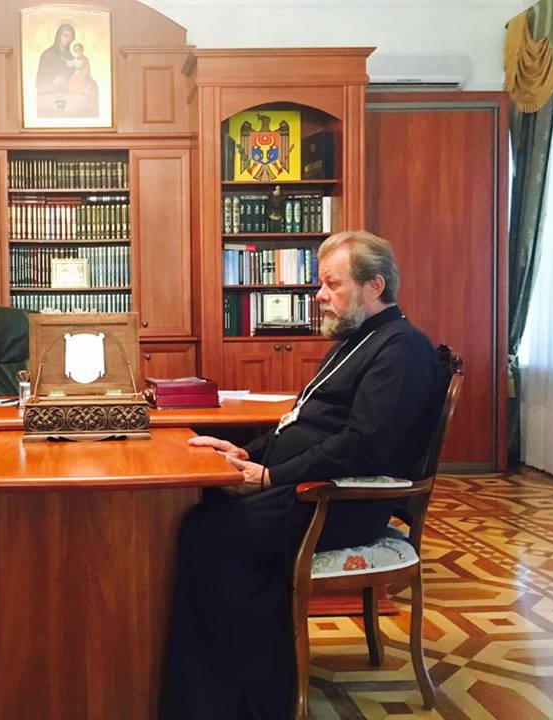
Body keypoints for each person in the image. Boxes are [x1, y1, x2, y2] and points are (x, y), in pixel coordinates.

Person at [162, 230, 445, 720]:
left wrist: (271, 477)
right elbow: (303, 423)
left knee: (208, 534)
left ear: (374, 286)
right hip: (310, 489)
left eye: (332, 284)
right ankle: (227, 688)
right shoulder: (357, 340)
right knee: (204, 506)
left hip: (343, 502)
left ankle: (248, 701)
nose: (319, 295)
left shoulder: (402, 349)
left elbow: (363, 445)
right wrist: (246, 452)